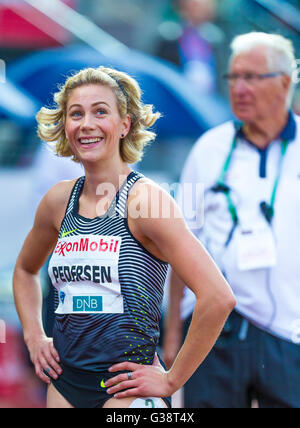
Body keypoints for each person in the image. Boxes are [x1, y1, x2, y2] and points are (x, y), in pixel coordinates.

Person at [12, 66, 235, 409]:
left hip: (126, 392)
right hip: (65, 386)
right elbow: (25, 271)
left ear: (125, 125)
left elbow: (218, 297)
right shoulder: (58, 201)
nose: (86, 123)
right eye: (76, 113)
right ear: (66, 126)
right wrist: (34, 335)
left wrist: (171, 379)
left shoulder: (146, 201)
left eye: (100, 112)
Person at [163, 32, 300, 408]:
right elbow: (179, 243)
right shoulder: (207, 148)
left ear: (285, 83)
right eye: (233, 77)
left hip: (289, 331)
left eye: (251, 77)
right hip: (213, 329)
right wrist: (173, 336)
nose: (238, 88)